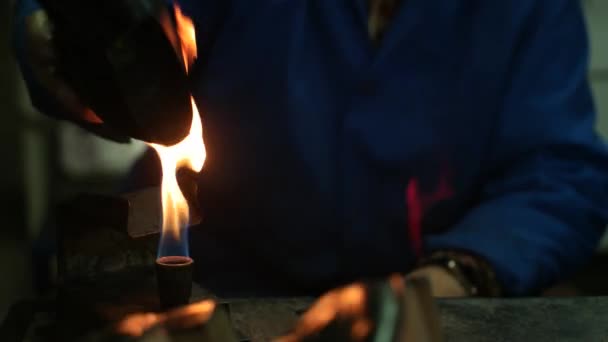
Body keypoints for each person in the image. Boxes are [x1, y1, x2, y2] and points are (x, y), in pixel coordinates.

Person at [13, 0, 608, 297]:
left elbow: (559, 173)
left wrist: (447, 282)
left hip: (420, 293)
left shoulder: (526, 12)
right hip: (218, 279)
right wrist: (62, 32)